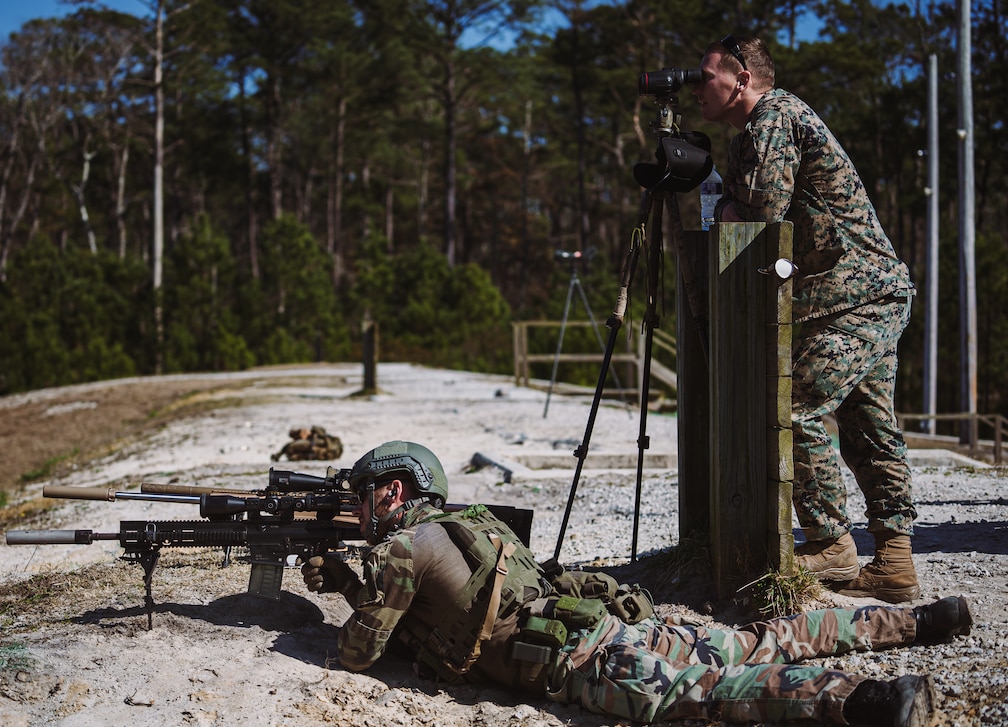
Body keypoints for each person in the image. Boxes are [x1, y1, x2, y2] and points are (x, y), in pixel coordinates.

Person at [302, 440, 973, 726]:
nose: (358, 510)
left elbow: (360, 652)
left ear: (392, 490)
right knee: (755, 639)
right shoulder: (469, 526)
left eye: (362, 496)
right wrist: (344, 574)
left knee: (708, 694)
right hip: (605, 626)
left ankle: (872, 701)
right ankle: (922, 620)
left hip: (580, 660)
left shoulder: (400, 546)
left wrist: (339, 590)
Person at [691, 35, 920, 602]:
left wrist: (719, 208)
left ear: (741, 78)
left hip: (856, 293)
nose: (698, 89)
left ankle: (830, 545)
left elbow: (762, 216)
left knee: (790, 406)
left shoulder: (773, 118)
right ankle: (894, 561)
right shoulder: (767, 124)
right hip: (862, 291)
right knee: (869, 424)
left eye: (707, 76)